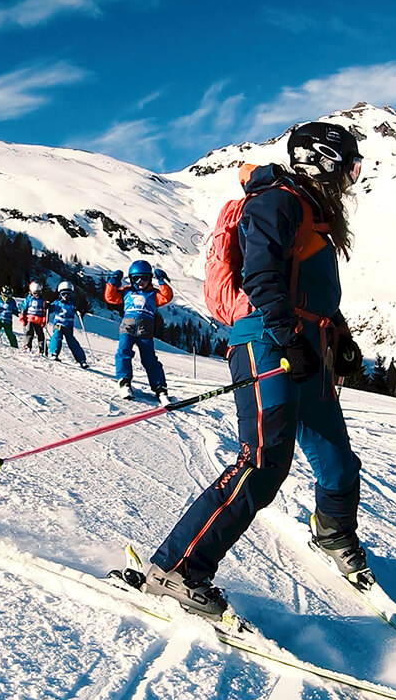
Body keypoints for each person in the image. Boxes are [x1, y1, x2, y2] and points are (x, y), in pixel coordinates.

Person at [141, 121, 368, 618]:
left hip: (308, 344)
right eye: (351, 165)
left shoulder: (313, 211)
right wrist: (288, 337)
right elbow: (260, 274)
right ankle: (178, 569)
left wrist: (341, 338)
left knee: (337, 460)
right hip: (269, 343)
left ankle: (332, 534)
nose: (354, 176)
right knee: (263, 462)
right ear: (322, 160)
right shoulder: (278, 199)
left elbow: (309, 285)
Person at [104, 260, 173, 404]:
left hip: (145, 328)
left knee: (149, 358)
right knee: (123, 351)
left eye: (144, 278)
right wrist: (112, 283)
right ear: (131, 279)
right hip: (127, 326)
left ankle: (159, 387)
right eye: (136, 278)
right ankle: (124, 381)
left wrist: (163, 282)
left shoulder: (153, 294)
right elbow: (111, 298)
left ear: (149, 278)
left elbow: (166, 297)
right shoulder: (126, 291)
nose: (140, 282)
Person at [46, 281, 88, 368]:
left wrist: (80, 310)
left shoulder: (72, 304)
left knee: (72, 341)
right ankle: (54, 353)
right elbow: (50, 309)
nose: (65, 297)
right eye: (63, 294)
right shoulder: (57, 303)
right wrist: (47, 306)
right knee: (57, 335)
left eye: (68, 294)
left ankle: (81, 360)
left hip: (68, 326)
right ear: (60, 294)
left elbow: (79, 311)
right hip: (58, 324)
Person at [20, 281, 49, 356]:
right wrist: (23, 317)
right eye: (35, 293)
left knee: (40, 335)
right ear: (31, 292)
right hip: (30, 319)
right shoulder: (28, 299)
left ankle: (43, 349)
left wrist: (44, 321)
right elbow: (24, 308)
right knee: (29, 332)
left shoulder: (42, 300)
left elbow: (44, 311)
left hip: (39, 320)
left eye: (38, 293)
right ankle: (27, 346)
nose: (37, 295)